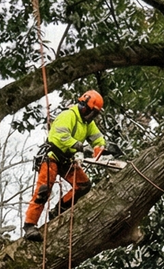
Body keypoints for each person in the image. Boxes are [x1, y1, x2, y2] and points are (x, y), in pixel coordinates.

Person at [22, 90, 107, 240]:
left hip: (67, 160)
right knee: (43, 190)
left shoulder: (88, 123)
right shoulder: (68, 115)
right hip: (52, 156)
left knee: (84, 185)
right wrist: (80, 146)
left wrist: (99, 147)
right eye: (90, 111)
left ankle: (60, 209)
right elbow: (60, 137)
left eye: (94, 113)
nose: (91, 115)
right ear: (83, 105)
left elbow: (97, 138)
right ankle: (29, 225)